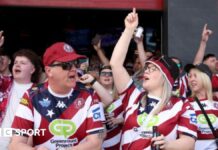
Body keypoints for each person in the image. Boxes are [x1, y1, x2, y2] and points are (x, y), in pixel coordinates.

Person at [109, 8, 197, 149]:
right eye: (147, 68)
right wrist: (129, 30)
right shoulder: (133, 96)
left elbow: (189, 143)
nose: (146, 71)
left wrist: (169, 145)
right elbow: (115, 64)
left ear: (165, 78)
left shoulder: (182, 105)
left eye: (153, 69)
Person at [9, 42, 105, 150]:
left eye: (75, 63)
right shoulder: (31, 96)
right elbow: (15, 144)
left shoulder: (90, 94)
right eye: (66, 65)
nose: (73, 68)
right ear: (49, 71)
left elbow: (96, 142)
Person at [0, 48, 41, 149]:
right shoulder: (5, 84)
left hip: (21, 144)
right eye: (16, 62)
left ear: (32, 69)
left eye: (23, 63)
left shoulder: (39, 92)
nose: (17, 65)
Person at [187, 63, 218, 149]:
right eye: (189, 76)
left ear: (206, 78)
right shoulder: (185, 103)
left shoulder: (216, 101)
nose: (191, 79)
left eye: (195, 76)